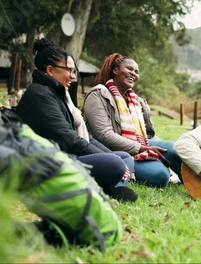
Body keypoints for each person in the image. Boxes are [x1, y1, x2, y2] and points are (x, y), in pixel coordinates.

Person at [16, 38, 138, 202]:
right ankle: (111, 186)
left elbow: (87, 137)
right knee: (115, 165)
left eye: (74, 72)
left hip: (70, 155)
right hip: (51, 161)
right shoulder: (40, 95)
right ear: (50, 70)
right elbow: (70, 140)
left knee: (125, 157)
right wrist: (113, 161)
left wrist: (114, 157)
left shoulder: (61, 95)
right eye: (69, 71)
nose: (73, 77)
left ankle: (109, 186)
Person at [83, 53, 182, 188]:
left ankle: (196, 185)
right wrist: (141, 148)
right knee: (160, 176)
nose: (133, 73)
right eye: (129, 69)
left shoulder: (137, 101)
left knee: (174, 148)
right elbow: (103, 135)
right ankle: (163, 171)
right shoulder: (98, 95)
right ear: (115, 70)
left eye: (136, 72)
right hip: (111, 151)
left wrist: (155, 148)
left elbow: (149, 134)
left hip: (137, 145)